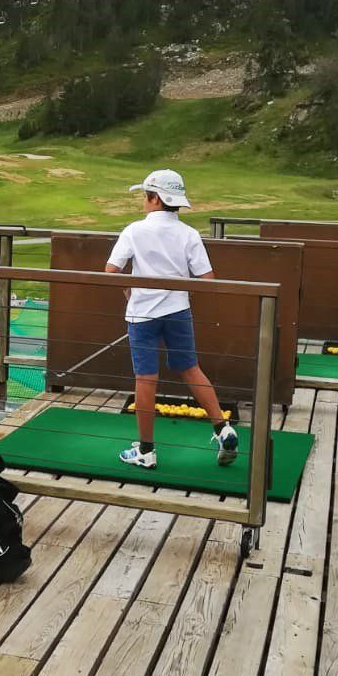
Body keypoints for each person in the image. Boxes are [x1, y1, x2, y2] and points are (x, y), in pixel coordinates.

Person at [105, 168, 240, 469]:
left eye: (145, 195)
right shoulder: (189, 234)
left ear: (154, 198)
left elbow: (111, 271)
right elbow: (208, 278)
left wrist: (130, 293)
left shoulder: (134, 230)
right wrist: (181, 295)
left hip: (142, 315)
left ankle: (146, 450)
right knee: (190, 368)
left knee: (145, 378)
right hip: (179, 312)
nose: (143, 201)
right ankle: (222, 428)